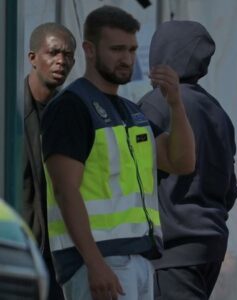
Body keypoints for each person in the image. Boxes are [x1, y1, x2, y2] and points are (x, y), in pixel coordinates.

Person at [41, 6, 195, 300]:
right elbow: (64, 189)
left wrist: (176, 105)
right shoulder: (71, 107)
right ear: (89, 49)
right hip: (99, 261)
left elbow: (182, 162)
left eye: (132, 49)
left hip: (139, 259)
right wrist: (94, 262)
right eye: (116, 49)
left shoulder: (130, 112)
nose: (126, 59)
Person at [138, 20, 237, 299]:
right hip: (211, 242)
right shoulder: (217, 111)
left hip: (172, 247)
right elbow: (230, 187)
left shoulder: (155, 104)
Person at [23, 22, 76, 299]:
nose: (60, 61)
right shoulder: (8, 112)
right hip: (16, 249)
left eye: (67, 56)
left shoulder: (73, 115)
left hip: (58, 256)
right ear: (32, 58)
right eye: (53, 53)